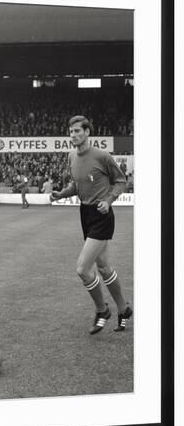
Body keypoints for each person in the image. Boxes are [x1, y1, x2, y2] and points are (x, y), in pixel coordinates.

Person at [51, 115, 132, 334]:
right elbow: (76, 185)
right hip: (85, 214)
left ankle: (102, 309)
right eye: (71, 131)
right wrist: (61, 194)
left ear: (87, 132)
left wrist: (108, 200)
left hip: (102, 214)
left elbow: (121, 181)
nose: (73, 135)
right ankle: (124, 309)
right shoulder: (71, 157)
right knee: (104, 268)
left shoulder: (102, 156)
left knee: (83, 269)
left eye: (77, 131)